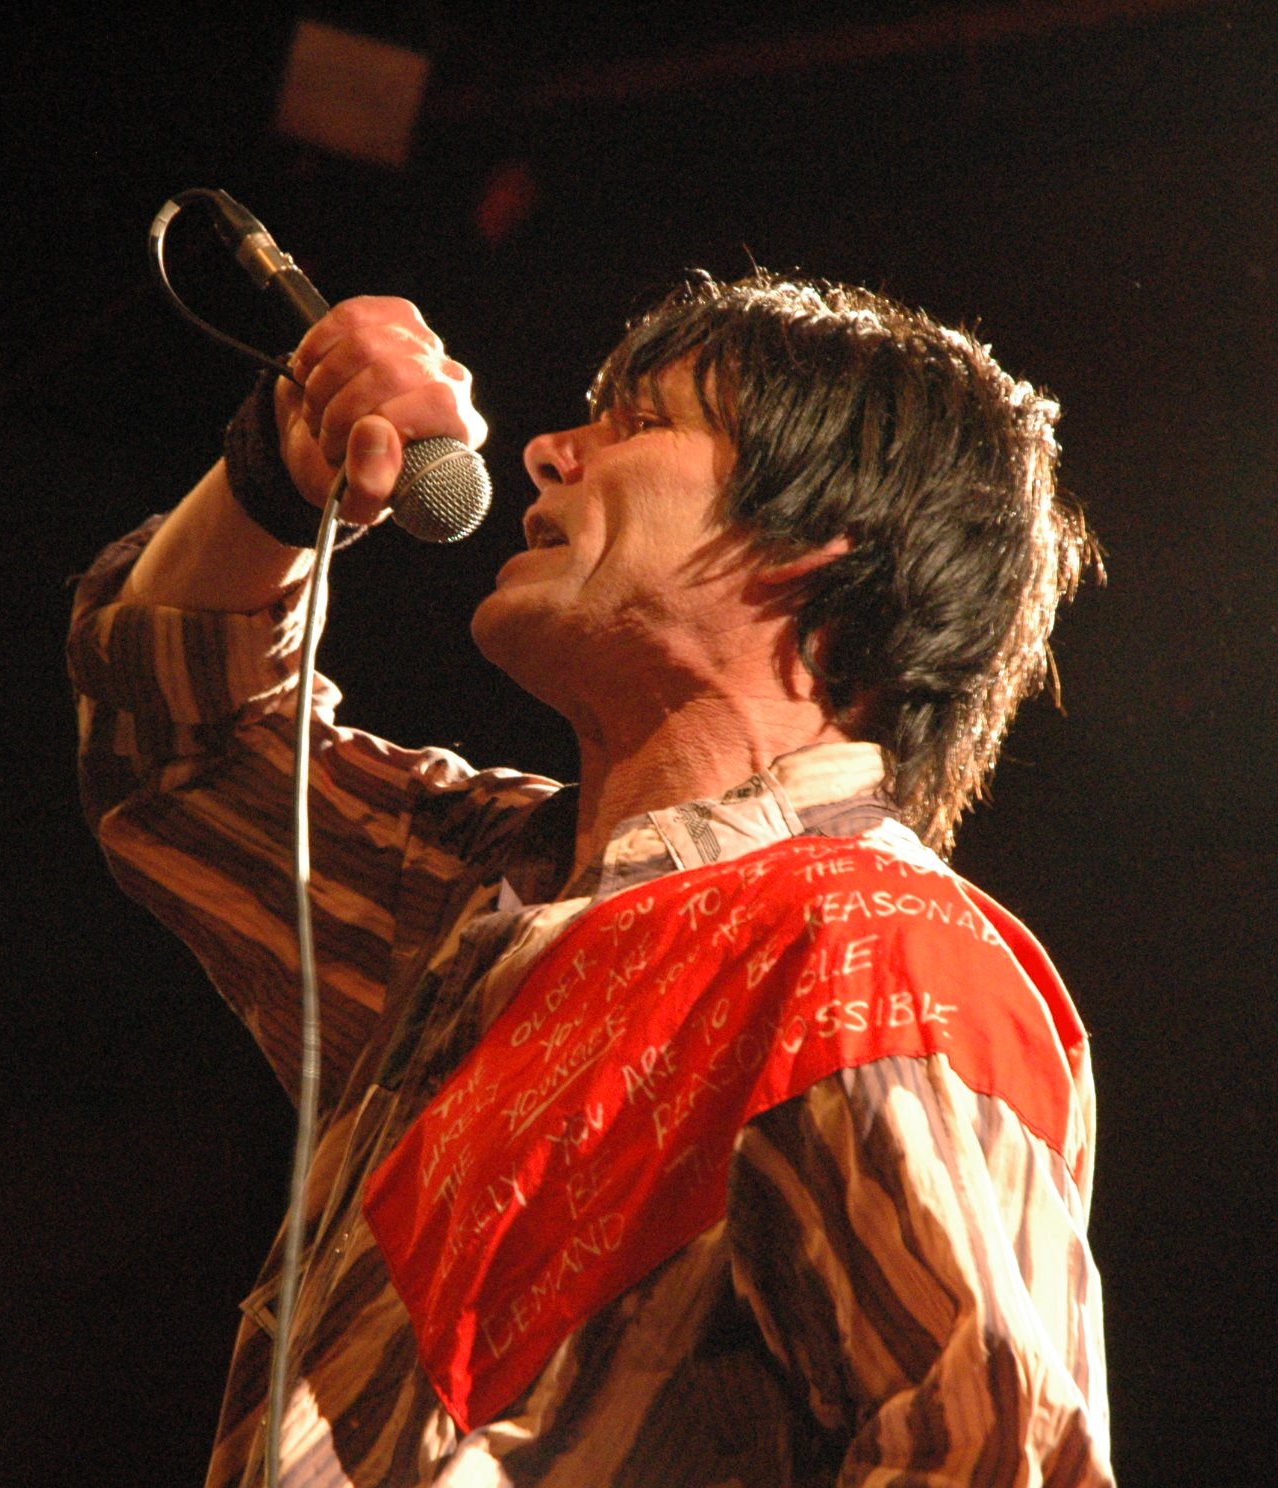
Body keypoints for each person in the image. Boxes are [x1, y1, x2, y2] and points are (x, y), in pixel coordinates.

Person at [69, 272, 1110, 1487]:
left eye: (641, 420)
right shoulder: (480, 892)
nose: (550, 452)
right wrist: (276, 477)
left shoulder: (861, 945)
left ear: (818, 539)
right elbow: (177, 748)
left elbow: (982, 1453)